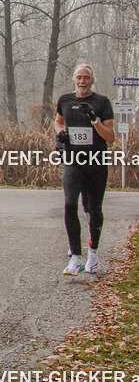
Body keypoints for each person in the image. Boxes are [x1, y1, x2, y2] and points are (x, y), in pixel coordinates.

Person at [55, 64, 115, 276]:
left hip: (96, 162)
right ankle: (76, 257)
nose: (82, 81)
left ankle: (93, 253)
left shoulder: (102, 102)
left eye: (86, 78)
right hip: (73, 160)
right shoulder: (65, 100)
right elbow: (58, 122)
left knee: (93, 209)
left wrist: (95, 121)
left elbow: (111, 136)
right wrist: (60, 135)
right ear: (74, 79)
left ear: (92, 80)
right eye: (79, 77)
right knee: (70, 205)